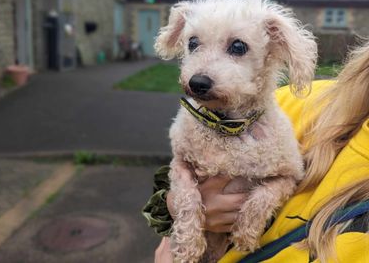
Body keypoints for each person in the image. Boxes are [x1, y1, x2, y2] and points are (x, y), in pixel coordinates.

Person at [144, 40, 369, 262]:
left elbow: (286, 176)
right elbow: (175, 173)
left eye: (237, 48)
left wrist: (257, 208)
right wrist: (176, 205)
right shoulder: (296, 102)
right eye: (194, 44)